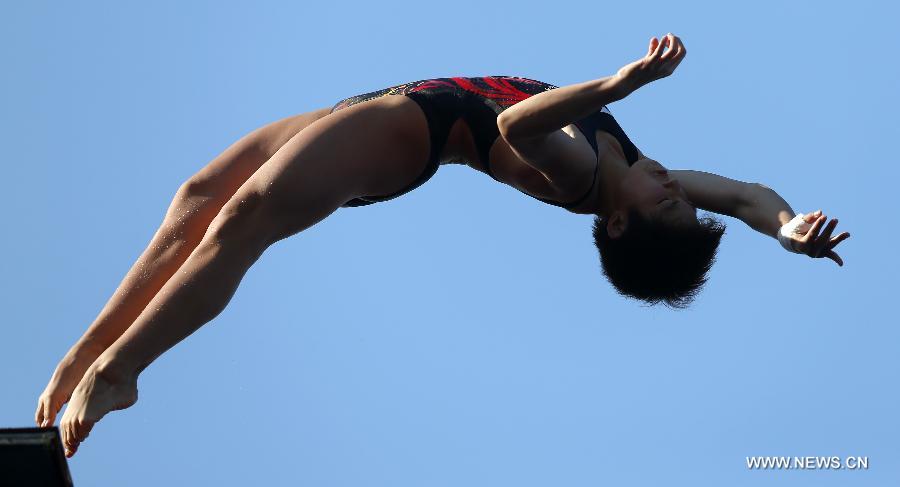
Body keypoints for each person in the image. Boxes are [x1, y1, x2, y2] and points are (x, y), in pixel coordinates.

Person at [34, 33, 850, 457]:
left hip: (409, 133)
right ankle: (83, 355)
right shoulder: (640, 171)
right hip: (388, 97)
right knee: (197, 199)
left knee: (246, 215)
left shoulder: (579, 177)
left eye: (667, 206)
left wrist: (619, 85)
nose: (677, 189)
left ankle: (120, 373)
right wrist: (787, 229)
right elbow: (744, 195)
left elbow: (511, 123)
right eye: (682, 199)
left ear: (618, 225)